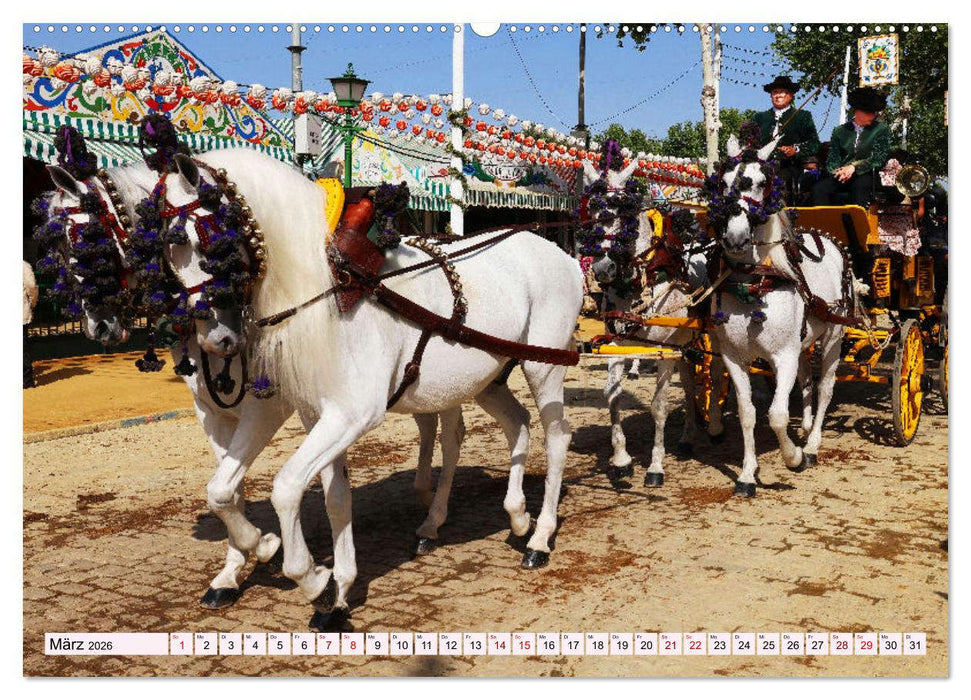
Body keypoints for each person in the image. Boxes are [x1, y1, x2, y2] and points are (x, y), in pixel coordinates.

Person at [812, 87, 891, 208]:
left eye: (874, 112)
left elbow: (878, 158)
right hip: (842, 176)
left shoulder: (881, 129)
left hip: (866, 175)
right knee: (819, 189)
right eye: (868, 112)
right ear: (857, 111)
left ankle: (859, 225)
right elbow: (832, 160)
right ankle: (824, 225)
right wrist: (839, 172)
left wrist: (854, 167)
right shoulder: (839, 131)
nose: (872, 115)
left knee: (860, 187)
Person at [751, 75, 820, 199]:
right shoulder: (759, 118)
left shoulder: (802, 116)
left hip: (789, 166)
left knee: (779, 181)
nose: (778, 96)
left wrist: (795, 150)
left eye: (782, 93)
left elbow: (814, 144)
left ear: (791, 95)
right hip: (760, 166)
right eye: (774, 93)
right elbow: (749, 143)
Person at [23, 260, 38, 389]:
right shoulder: (23, 265)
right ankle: (26, 381)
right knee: (22, 348)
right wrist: (32, 303)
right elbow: (31, 286)